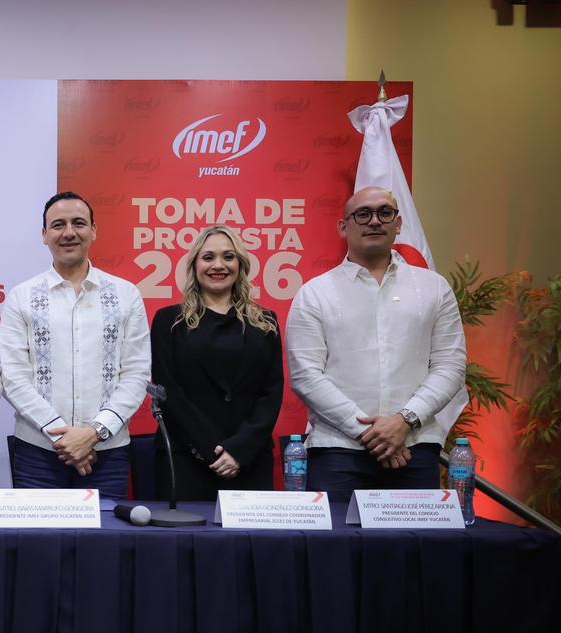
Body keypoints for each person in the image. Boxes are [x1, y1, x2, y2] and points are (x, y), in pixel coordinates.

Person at [286, 186, 467, 502]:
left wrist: (404, 421)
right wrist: (371, 433)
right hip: (338, 452)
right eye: (363, 214)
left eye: (384, 212)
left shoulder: (433, 288)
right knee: (336, 537)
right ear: (343, 226)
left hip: (414, 447)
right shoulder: (315, 294)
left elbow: (450, 366)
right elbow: (306, 376)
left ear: (398, 224)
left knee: (416, 537)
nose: (374, 221)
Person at [0, 191, 151, 501]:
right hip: (38, 454)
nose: (69, 232)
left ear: (93, 231)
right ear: (44, 235)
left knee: (106, 534)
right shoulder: (21, 296)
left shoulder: (126, 294)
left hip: (107, 452)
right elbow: (12, 377)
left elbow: (137, 374)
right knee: (37, 534)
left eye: (78, 223)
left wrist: (93, 433)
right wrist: (65, 438)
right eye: (58, 225)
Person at [150, 226, 284, 500]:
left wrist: (239, 450)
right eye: (208, 257)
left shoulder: (266, 322)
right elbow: (168, 392)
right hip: (185, 462)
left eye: (228, 257)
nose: (219, 265)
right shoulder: (168, 321)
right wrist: (214, 450)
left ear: (240, 264)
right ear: (195, 265)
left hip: (249, 462)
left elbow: (271, 394)